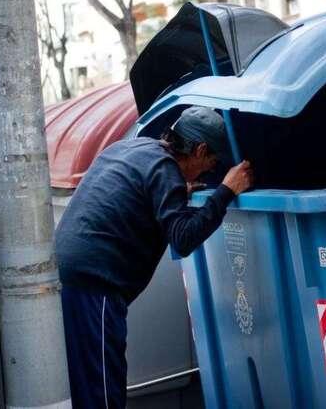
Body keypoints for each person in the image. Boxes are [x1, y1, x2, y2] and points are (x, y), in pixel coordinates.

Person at [55, 106, 254, 408]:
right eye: (211, 163)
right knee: (103, 387)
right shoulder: (165, 171)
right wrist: (225, 191)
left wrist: (174, 193)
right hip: (95, 280)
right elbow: (184, 238)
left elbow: (131, 191)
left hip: (72, 272)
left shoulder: (136, 148)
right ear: (199, 149)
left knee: (89, 377)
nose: (209, 171)